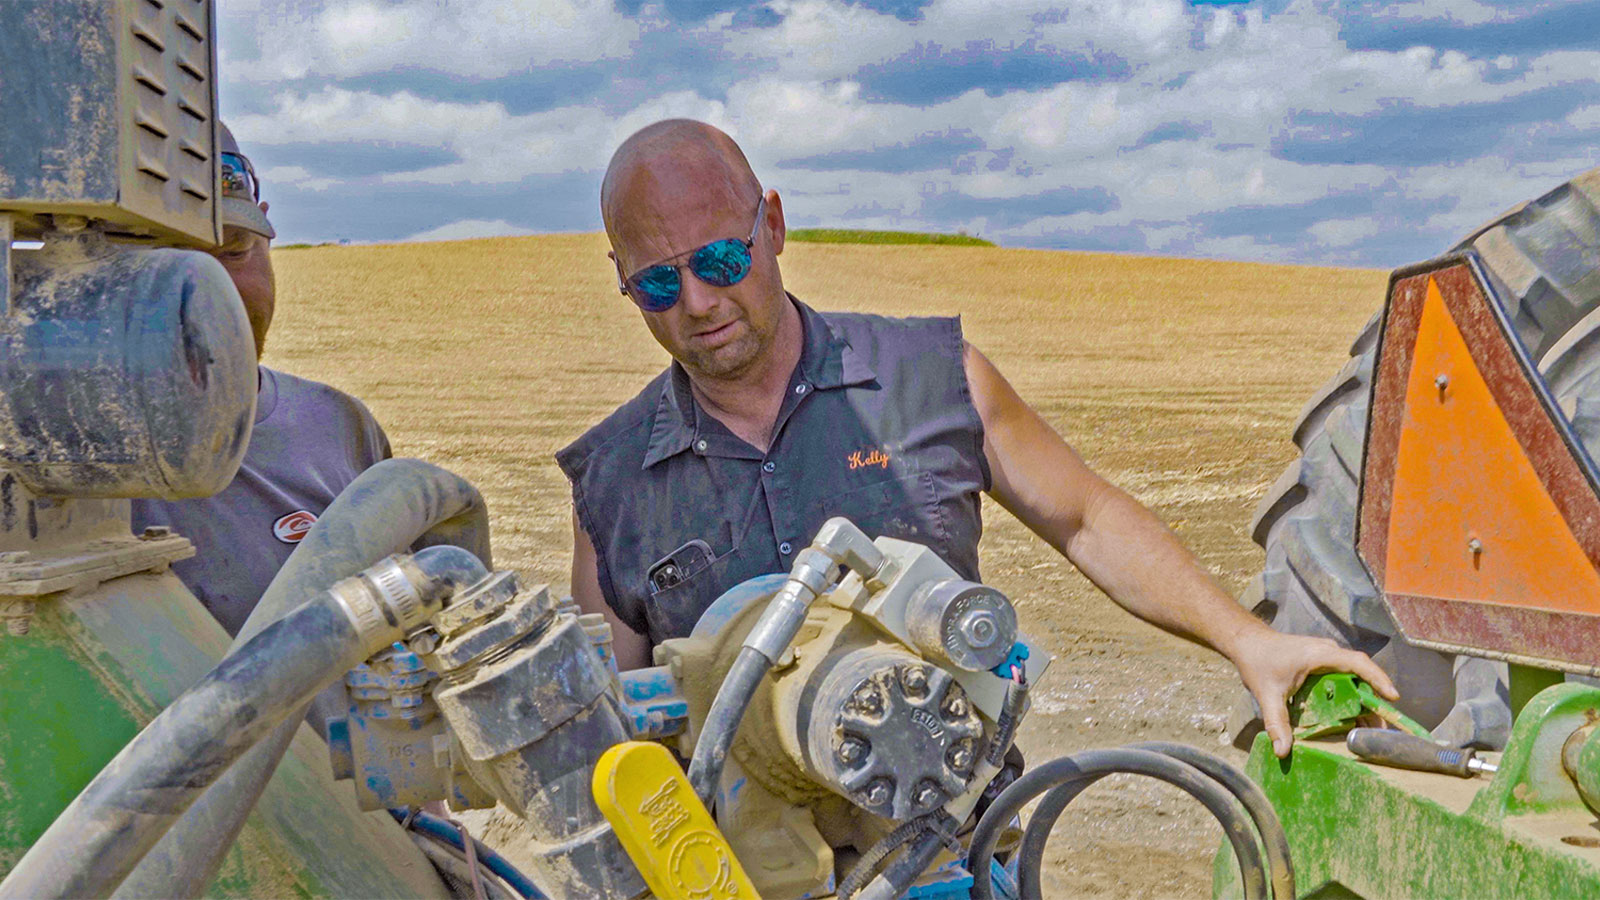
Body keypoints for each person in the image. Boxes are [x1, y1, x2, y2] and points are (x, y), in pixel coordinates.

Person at [558, 119, 1397, 758]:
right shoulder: (612, 482)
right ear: (623, 283)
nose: (698, 302)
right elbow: (602, 724)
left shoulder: (932, 376)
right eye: (660, 281)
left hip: (952, 842)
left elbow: (1087, 519)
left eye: (719, 262)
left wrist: (1250, 639)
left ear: (771, 225)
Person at [132, 124, 391, 638]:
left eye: (234, 251)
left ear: (267, 231)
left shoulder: (340, 427)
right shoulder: (47, 472)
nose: (215, 296)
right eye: (168, 264)